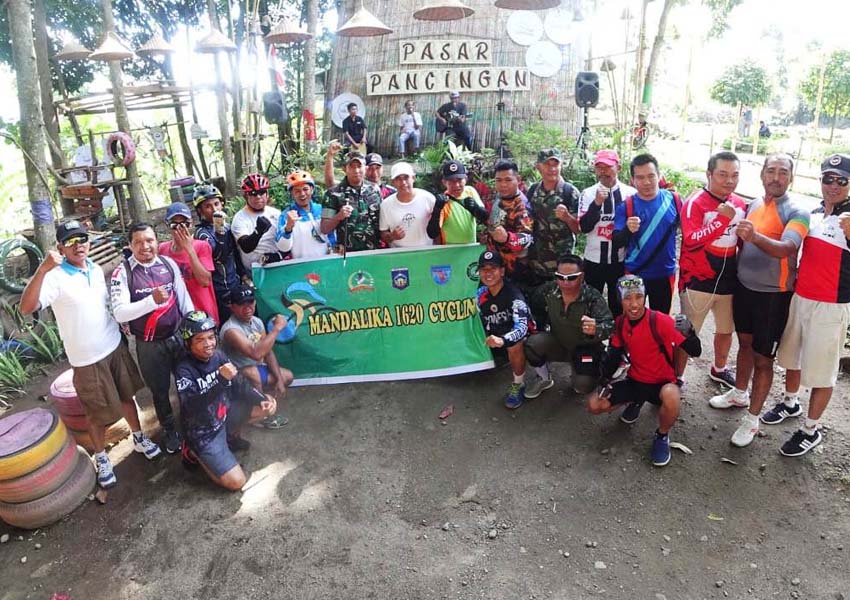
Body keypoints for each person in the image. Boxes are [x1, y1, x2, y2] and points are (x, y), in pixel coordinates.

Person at [20, 221, 162, 489]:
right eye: (71, 241)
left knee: (127, 396)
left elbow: (105, 306)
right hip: (86, 359)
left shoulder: (96, 270)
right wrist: (42, 269)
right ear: (60, 247)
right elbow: (27, 308)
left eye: (82, 239)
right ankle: (102, 457)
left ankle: (139, 437)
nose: (78, 245)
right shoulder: (53, 277)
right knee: (95, 413)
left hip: (113, 345)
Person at [708, 154, 810, 448]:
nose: (776, 177)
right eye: (771, 171)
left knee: (764, 359)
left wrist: (754, 238)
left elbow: (787, 247)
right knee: (746, 346)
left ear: (791, 177)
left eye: (783, 172)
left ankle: (752, 420)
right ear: (762, 174)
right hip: (744, 289)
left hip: (773, 297)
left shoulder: (798, 211)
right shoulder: (753, 204)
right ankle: (740, 393)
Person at [769, 154, 850, 456]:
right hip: (801, 298)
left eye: (841, 180)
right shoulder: (814, 212)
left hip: (831, 305)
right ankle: (790, 403)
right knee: (792, 358)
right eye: (828, 178)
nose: (833, 185)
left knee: (822, 372)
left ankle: (810, 429)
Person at [587, 275, 702, 467]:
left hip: (661, 384)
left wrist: (690, 332)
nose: (634, 304)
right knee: (594, 404)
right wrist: (603, 380)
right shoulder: (621, 323)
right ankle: (636, 401)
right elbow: (614, 356)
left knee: (672, 395)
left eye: (638, 297)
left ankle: (662, 435)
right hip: (636, 381)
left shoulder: (661, 321)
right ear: (619, 300)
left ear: (645, 297)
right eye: (627, 298)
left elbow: (696, 351)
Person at [110, 222, 195, 454]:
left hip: (178, 335)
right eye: (138, 242)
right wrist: (151, 301)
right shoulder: (123, 272)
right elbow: (119, 312)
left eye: (149, 240)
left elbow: (183, 296)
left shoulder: (168, 264)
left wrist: (193, 325)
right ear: (130, 245)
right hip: (148, 345)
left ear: (157, 241)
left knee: (187, 381)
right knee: (159, 391)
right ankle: (169, 430)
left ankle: (192, 422)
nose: (145, 246)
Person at [175, 311, 278, 491]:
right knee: (236, 483)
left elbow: (239, 383)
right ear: (188, 343)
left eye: (210, 337)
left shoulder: (219, 355)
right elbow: (191, 406)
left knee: (268, 405)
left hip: (222, 416)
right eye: (200, 340)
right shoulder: (184, 369)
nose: (208, 344)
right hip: (203, 432)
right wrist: (220, 381)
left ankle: (230, 437)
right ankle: (193, 452)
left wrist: (260, 398)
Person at [676, 152, 747, 389]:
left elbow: (740, 241)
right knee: (688, 331)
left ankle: (719, 368)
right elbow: (691, 238)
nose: (729, 181)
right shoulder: (695, 202)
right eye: (722, 175)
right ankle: (677, 376)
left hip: (728, 279)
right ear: (709, 174)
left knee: (726, 329)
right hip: (697, 278)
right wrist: (720, 221)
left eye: (735, 175)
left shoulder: (739, 203)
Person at [524, 254, 614, 399]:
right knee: (532, 344)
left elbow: (609, 325)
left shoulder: (592, 297)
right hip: (558, 343)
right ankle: (544, 378)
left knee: (583, 386)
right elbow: (532, 303)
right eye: (560, 276)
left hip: (585, 348)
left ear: (582, 276)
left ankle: (584, 370)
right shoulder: (549, 290)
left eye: (571, 277)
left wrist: (597, 329)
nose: (565, 282)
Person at [612, 153, 681, 314]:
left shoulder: (674, 200)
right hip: (634, 274)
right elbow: (616, 242)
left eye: (651, 176)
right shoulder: (626, 206)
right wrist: (627, 230)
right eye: (640, 177)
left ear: (659, 175)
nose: (647, 182)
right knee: (632, 318)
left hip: (665, 274)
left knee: (661, 320)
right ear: (632, 180)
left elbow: (688, 232)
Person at [219, 285, 292, 429]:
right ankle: (258, 414)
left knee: (287, 377)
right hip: (234, 377)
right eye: (241, 304)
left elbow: (267, 351)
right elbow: (256, 353)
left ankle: (258, 402)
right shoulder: (230, 330)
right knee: (252, 372)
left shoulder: (256, 322)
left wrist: (279, 380)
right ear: (232, 307)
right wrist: (276, 329)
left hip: (256, 369)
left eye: (250, 302)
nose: (247, 308)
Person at [578, 149, 637, 316]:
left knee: (619, 305)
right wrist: (596, 203)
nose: (604, 171)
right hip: (593, 259)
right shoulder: (588, 193)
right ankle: (591, 341)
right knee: (590, 305)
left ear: (618, 167)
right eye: (599, 167)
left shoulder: (630, 194)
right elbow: (583, 227)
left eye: (608, 166)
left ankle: (617, 340)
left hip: (620, 260)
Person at [476, 250, 535, 409]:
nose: (488, 273)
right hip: (496, 334)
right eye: (484, 269)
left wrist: (503, 340)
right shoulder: (480, 292)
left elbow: (522, 328)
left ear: (502, 271)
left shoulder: (514, 295)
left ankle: (518, 384)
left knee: (514, 345)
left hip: (519, 336)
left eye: (492, 268)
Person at [159, 202, 219, 324]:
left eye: (184, 224)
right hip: (178, 316)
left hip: (203, 315)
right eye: (174, 225)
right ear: (167, 225)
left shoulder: (202, 246)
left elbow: (205, 281)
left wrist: (190, 250)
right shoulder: (162, 249)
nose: (180, 229)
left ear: (190, 223)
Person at [193, 184, 242, 322]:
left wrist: (243, 275)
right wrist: (219, 231)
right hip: (219, 289)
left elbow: (235, 253)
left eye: (216, 204)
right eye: (208, 206)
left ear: (222, 204)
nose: (214, 209)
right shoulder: (202, 233)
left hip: (235, 282)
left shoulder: (226, 225)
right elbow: (219, 257)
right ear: (200, 211)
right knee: (229, 324)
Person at [321, 151, 383, 252]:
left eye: (359, 166)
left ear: (366, 168)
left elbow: (382, 221)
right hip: (346, 254)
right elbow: (324, 229)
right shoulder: (333, 194)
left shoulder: (374, 189)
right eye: (352, 166)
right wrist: (339, 216)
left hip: (373, 251)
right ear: (344, 169)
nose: (356, 170)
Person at [484, 159, 534, 284]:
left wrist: (507, 238)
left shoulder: (521, 206)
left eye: (508, 180)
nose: (503, 185)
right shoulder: (500, 197)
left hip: (513, 269)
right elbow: (497, 221)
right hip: (496, 263)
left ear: (518, 179)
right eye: (498, 180)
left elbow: (527, 238)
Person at [275, 170, 335, 260]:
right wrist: (288, 228)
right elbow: (283, 248)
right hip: (300, 267)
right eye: (297, 191)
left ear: (312, 189)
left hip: (325, 263)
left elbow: (333, 235)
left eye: (305, 189)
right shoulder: (285, 215)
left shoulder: (324, 209)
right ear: (292, 194)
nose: (302, 194)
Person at [427, 160, 488, 245]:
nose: (456, 185)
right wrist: (437, 210)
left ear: (465, 179)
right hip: (450, 250)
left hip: (470, 247)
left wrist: (476, 209)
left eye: (459, 180)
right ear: (444, 182)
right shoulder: (443, 202)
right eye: (451, 181)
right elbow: (432, 233)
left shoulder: (470, 191)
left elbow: (485, 218)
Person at [232, 172, 283, 272]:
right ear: (246, 196)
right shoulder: (240, 218)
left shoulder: (276, 214)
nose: (258, 197)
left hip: (278, 266)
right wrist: (258, 231)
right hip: (255, 272)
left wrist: (280, 255)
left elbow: (287, 239)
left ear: (267, 194)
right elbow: (245, 247)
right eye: (253, 193)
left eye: (262, 192)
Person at [379, 162, 436, 248]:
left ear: (413, 178)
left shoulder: (428, 198)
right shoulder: (386, 205)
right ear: (393, 182)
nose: (403, 182)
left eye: (406, 177)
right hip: (399, 255)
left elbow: (439, 227)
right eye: (398, 179)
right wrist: (392, 236)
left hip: (426, 251)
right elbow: (383, 233)